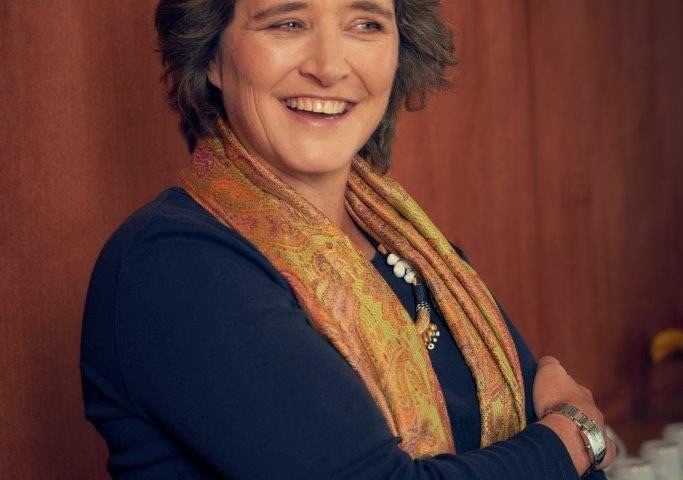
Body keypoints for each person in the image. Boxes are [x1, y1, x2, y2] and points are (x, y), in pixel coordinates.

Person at [80, 0, 616, 478]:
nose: (329, 66)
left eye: (366, 23)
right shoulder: (174, 266)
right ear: (212, 56)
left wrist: (562, 445)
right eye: (288, 22)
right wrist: (575, 439)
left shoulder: (416, 248)